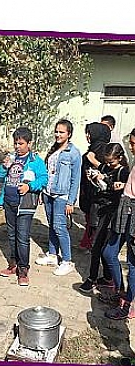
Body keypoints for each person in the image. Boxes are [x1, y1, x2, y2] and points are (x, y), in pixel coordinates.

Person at [0, 127, 47, 286]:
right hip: (9, 202)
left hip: (24, 205)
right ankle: (13, 265)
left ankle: (23, 270)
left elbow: (44, 179)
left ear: (29, 143)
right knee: (11, 235)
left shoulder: (35, 161)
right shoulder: (11, 158)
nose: (17, 146)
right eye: (15, 143)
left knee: (22, 237)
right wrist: (4, 167)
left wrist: (29, 187)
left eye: (21, 143)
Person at [78, 143, 128, 292]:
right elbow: (99, 182)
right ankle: (105, 278)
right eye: (106, 161)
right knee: (97, 246)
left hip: (111, 214)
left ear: (119, 158)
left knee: (102, 248)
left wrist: (107, 181)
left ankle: (100, 279)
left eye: (111, 162)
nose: (108, 165)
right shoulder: (105, 167)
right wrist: (93, 178)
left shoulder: (123, 172)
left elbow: (120, 190)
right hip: (99, 210)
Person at [34, 119, 81, 276]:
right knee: (52, 225)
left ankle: (67, 261)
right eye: (56, 131)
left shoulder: (73, 153)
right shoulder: (53, 149)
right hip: (48, 193)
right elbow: (47, 172)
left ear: (69, 134)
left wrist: (71, 201)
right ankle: (53, 255)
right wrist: (42, 191)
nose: (58, 134)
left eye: (62, 132)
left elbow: (75, 179)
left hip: (62, 196)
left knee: (60, 227)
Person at [100, 130, 135, 319]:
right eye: (130, 143)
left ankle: (127, 302)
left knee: (132, 265)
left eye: (134, 143)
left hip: (131, 218)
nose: (131, 147)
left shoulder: (125, 168)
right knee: (109, 253)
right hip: (123, 216)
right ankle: (120, 291)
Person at [78, 122, 111, 250]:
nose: (87, 136)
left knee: (94, 221)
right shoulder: (92, 149)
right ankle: (88, 241)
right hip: (89, 191)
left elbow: (109, 171)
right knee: (89, 218)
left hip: (99, 195)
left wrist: (94, 162)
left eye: (89, 133)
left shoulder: (105, 151)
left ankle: (92, 243)